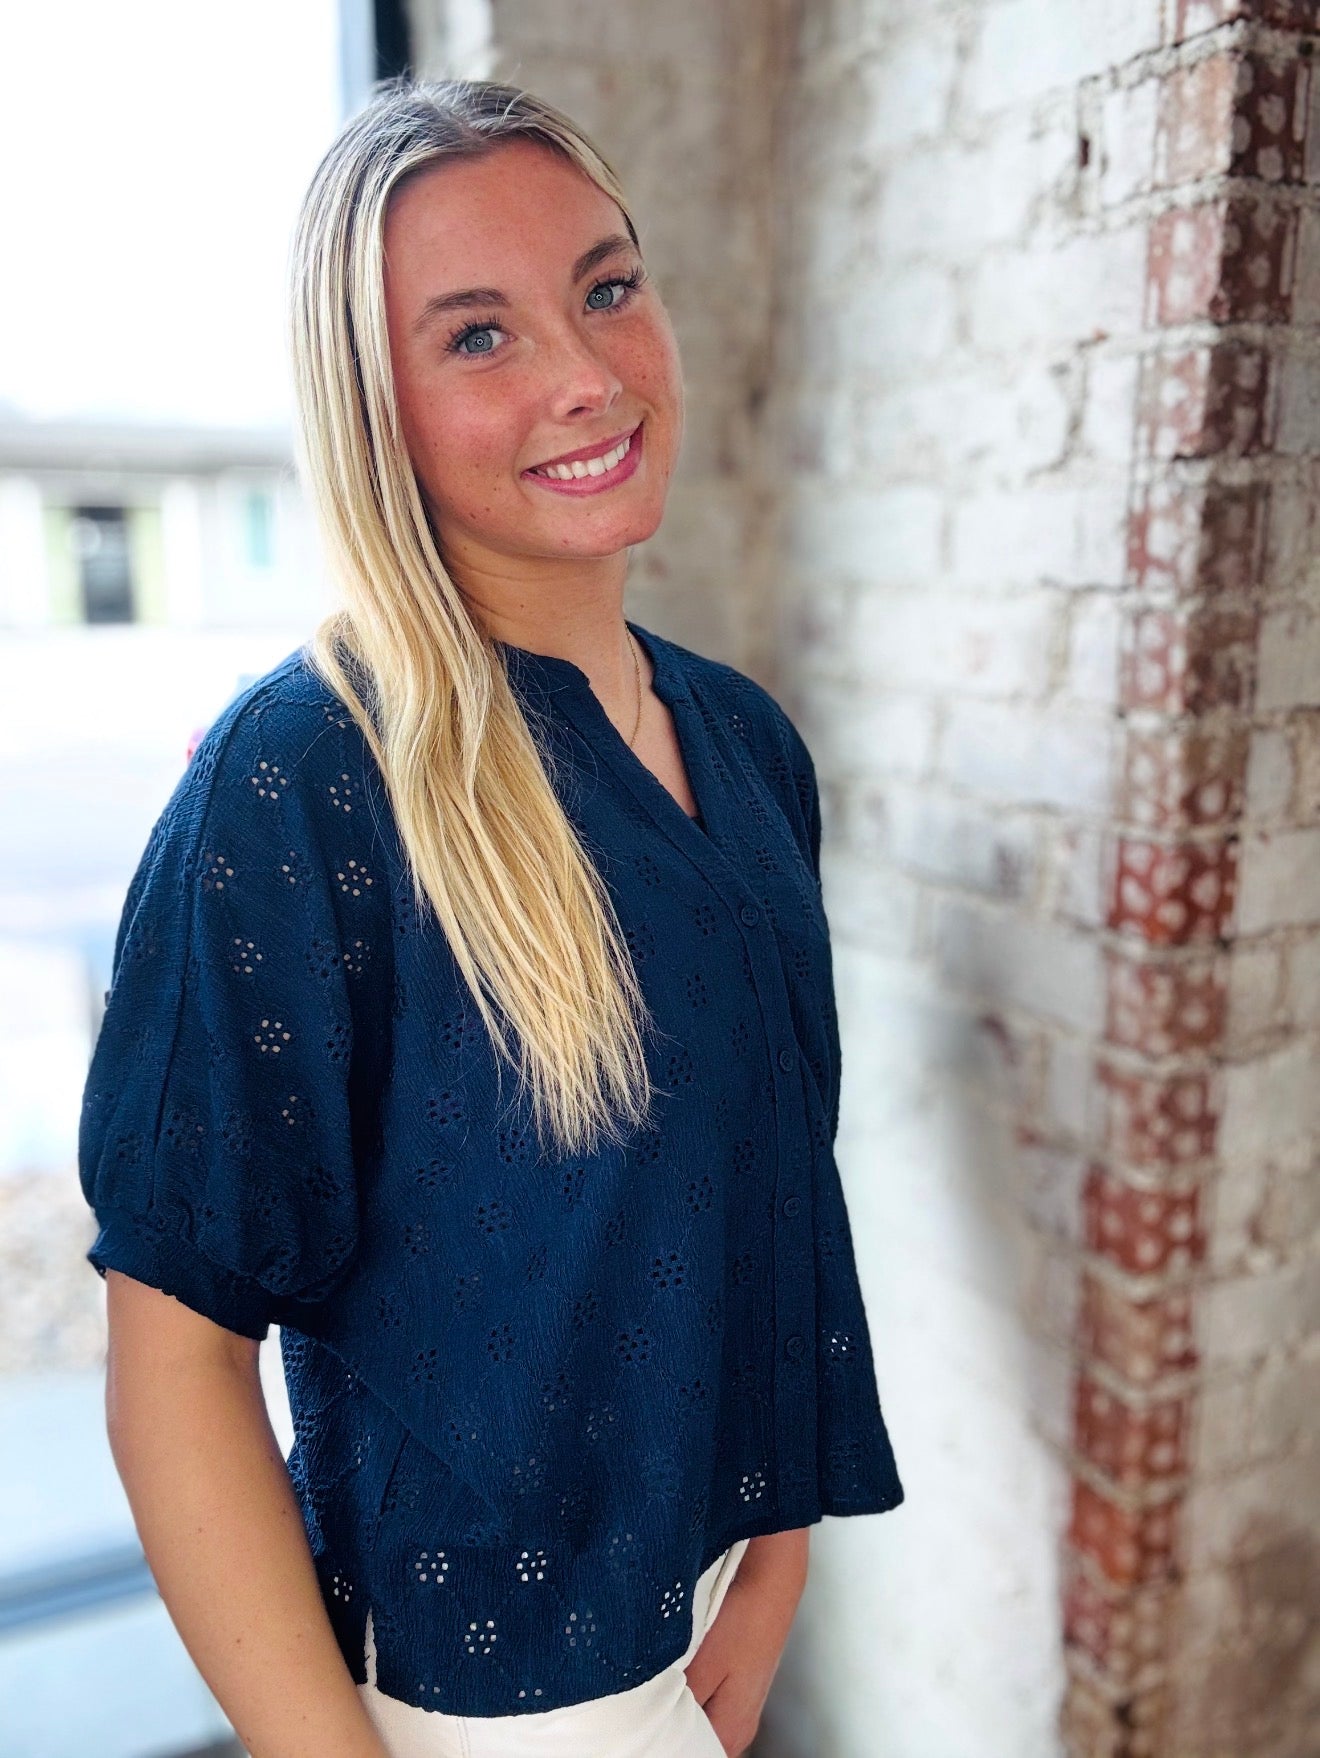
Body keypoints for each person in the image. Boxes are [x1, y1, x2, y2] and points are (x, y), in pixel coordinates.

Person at [77, 75, 904, 1758]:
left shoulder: (744, 742)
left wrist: (776, 1557)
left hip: (702, 1620)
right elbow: (176, 1361)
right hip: (478, 1701)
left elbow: (771, 1175)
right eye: (476, 336)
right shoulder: (305, 779)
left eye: (608, 285)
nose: (589, 375)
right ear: (372, 404)